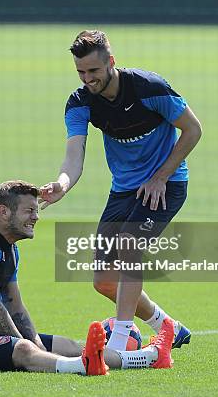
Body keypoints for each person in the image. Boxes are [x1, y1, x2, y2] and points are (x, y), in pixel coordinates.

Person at [39, 30, 202, 357]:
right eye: (81, 72)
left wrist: (161, 176)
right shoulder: (80, 102)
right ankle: (165, 325)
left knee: (129, 246)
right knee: (103, 280)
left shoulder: (149, 88)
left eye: (94, 71)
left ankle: (120, 341)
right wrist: (62, 184)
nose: (88, 79)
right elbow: (74, 156)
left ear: (111, 62)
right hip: (125, 190)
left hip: (165, 186)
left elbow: (193, 129)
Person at [0, 181, 175, 374]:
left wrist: (37, 341)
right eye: (29, 210)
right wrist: (29, 345)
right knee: (24, 351)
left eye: (36, 211)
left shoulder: (10, 249)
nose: (36, 217)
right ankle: (81, 367)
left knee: (71, 346)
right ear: (4, 211)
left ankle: (151, 356)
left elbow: (15, 306)